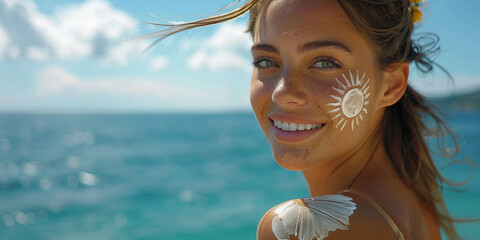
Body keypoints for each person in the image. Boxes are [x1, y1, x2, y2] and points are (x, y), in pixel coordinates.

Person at [148, 0, 472, 239]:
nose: (283, 93)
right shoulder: (414, 203)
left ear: (392, 85)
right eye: (266, 61)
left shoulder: (299, 228)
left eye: (325, 62)